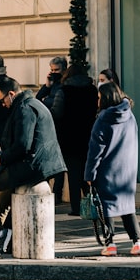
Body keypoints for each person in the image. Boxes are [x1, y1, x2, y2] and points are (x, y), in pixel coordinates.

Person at [0, 77, 66, 258]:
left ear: (11, 94)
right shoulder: (34, 104)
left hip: (31, 168)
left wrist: (2, 159)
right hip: (39, 166)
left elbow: (23, 145)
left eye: (3, 100)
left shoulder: (24, 109)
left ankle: (0, 235)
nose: (2, 104)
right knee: (1, 199)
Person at [85, 82, 140, 257]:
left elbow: (95, 150)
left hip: (107, 171)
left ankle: (110, 244)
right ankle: (137, 242)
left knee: (107, 208)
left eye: (99, 97)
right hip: (127, 170)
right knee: (127, 207)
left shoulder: (103, 119)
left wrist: (90, 173)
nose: (97, 101)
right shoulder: (130, 116)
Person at [52, 64, 99, 215]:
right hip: (88, 135)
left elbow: (57, 113)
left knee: (73, 174)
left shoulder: (64, 91)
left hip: (69, 137)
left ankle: (76, 207)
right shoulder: (92, 90)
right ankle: (93, 202)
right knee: (87, 172)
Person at [36, 56, 67, 203]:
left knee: (58, 163)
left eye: (57, 70)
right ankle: (48, 191)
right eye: (52, 70)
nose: (54, 72)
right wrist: (47, 86)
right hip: (51, 128)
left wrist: (46, 101)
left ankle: (57, 194)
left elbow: (52, 103)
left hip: (61, 128)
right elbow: (37, 100)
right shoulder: (53, 84)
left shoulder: (64, 85)